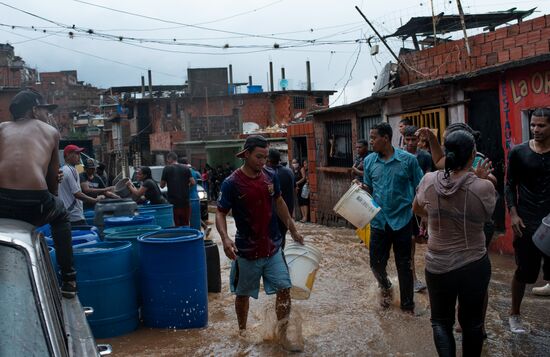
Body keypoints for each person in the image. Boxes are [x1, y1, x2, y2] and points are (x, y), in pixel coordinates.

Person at [215, 135, 304, 352]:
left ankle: (282, 335)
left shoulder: (270, 176)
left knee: (284, 288)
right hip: (246, 250)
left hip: (272, 246)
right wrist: (225, 238)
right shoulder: (231, 183)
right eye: (258, 157)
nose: (262, 162)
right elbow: (220, 213)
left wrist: (292, 229)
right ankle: (243, 332)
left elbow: (280, 202)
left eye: (265, 157)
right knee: (242, 295)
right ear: (246, 155)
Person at [413, 130, 496, 357]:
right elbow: (486, 215)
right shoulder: (483, 187)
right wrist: (478, 178)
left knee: (440, 322)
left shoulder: (428, 181)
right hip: (473, 264)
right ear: (473, 155)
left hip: (437, 264)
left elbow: (417, 208)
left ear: (447, 154)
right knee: (473, 324)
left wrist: (433, 214)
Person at [0, 88, 76, 298]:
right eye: (45, 110)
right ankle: (69, 280)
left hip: (2, 202)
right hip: (34, 204)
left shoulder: (2, 128)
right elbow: (52, 186)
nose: (47, 115)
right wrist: (51, 184)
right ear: (34, 110)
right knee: (61, 216)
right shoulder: (50, 131)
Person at [362, 122, 423, 313]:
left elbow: (420, 188)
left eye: (373, 138)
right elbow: (369, 189)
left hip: (402, 221)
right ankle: (387, 287)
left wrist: (421, 215)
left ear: (386, 138)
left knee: (404, 265)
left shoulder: (408, 161)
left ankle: (407, 306)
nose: (371, 142)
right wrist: (361, 189)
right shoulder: (369, 161)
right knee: (375, 264)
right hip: (379, 222)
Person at [505, 108, 550, 333]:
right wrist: (513, 214)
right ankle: (514, 314)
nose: (535, 129)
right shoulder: (519, 152)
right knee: (524, 271)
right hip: (527, 221)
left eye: (541, 125)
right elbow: (509, 185)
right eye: (533, 125)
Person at [404, 125, 433, 293]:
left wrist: (426, 211)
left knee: (430, 242)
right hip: (406, 205)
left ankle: (433, 277)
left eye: (413, 139)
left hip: (422, 205)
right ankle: (413, 279)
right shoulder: (400, 157)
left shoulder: (425, 157)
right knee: (411, 243)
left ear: (418, 140)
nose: (410, 142)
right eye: (407, 140)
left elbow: (427, 182)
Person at [59, 145, 104, 227]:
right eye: (76, 153)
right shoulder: (71, 170)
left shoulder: (62, 169)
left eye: (79, 153)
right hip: (74, 216)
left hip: (66, 214)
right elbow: (77, 194)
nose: (79, 156)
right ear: (68, 155)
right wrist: (95, 200)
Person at [266, 148, 295, 250]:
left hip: (276, 214)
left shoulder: (271, 175)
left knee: (273, 245)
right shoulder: (289, 172)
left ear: (268, 160)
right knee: (281, 240)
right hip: (288, 214)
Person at [160, 152, 195, 227]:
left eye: (167, 160)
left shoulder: (167, 169)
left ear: (169, 159)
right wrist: (185, 187)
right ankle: (187, 238)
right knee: (186, 224)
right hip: (185, 201)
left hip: (173, 202)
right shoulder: (186, 168)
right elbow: (193, 182)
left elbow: (162, 185)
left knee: (176, 225)